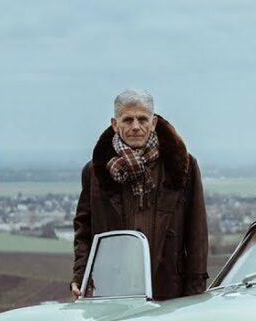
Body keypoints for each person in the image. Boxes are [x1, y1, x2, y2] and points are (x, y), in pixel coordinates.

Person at [70, 89, 209, 301]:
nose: (136, 126)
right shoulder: (95, 172)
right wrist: (80, 277)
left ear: (153, 123)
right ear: (115, 124)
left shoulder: (182, 167)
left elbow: (197, 232)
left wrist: (195, 292)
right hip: (110, 290)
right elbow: (84, 230)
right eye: (128, 120)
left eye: (142, 119)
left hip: (168, 290)